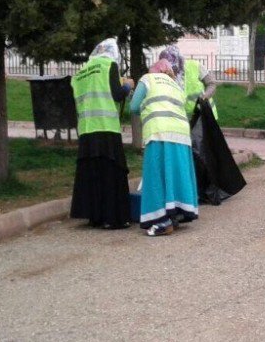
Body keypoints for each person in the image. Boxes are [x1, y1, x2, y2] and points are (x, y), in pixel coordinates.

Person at [129, 47, 200, 236]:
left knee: (157, 174)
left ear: (155, 69)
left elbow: (134, 106)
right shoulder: (176, 85)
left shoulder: (147, 79)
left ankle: (162, 220)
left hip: (159, 132)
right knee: (177, 173)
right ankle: (177, 213)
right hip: (182, 134)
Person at [70, 38, 135, 229]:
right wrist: (128, 85)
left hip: (87, 128)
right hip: (106, 127)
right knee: (110, 172)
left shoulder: (81, 73)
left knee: (91, 173)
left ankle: (94, 216)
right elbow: (116, 94)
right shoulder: (109, 65)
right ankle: (112, 218)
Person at [164, 52, 219, 120]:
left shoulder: (195, 65)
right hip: (182, 116)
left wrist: (205, 96)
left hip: (202, 113)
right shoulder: (166, 74)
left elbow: (211, 83)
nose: (172, 70)